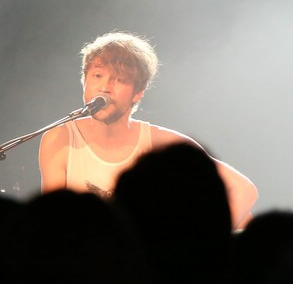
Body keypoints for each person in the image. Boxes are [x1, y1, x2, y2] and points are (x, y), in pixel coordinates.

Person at [39, 31, 258, 229]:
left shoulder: (163, 144)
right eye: (97, 76)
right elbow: (54, 219)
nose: (105, 87)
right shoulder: (60, 138)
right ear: (84, 81)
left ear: (137, 93)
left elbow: (244, 190)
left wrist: (200, 245)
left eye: (119, 80)